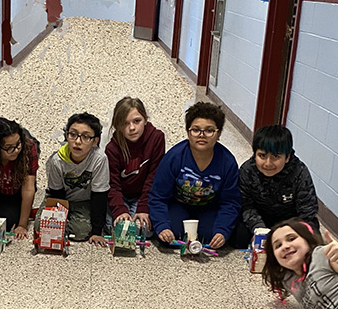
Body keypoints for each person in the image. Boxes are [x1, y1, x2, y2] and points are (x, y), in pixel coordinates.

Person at [147, 101, 241, 249]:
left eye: (209, 130)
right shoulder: (174, 157)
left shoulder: (227, 162)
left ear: (219, 134)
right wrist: (161, 225)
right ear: (188, 132)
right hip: (178, 204)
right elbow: (158, 196)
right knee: (172, 237)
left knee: (210, 239)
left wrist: (223, 231)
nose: (202, 135)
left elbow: (230, 202)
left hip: (210, 207)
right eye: (196, 130)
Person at [36, 112, 110, 246]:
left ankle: (69, 229)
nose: (77, 141)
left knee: (81, 232)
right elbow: (56, 193)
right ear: (66, 134)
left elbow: (99, 195)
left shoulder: (99, 159)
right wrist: (60, 218)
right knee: (41, 228)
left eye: (86, 137)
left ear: (95, 141)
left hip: (83, 200)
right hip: (59, 197)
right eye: (73, 134)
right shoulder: (56, 161)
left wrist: (97, 232)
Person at [238, 124, 318, 244]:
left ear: (287, 157)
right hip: (260, 217)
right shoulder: (247, 170)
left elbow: (307, 211)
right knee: (238, 237)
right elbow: (246, 206)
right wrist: (259, 229)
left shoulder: (299, 172)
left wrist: (288, 233)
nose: (268, 163)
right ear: (255, 154)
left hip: (290, 221)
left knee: (312, 237)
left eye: (275, 156)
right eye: (262, 156)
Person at [104, 97, 165, 235]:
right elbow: (112, 184)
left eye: (137, 121)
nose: (132, 128)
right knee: (119, 230)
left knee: (144, 231)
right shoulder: (112, 148)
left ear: (145, 119)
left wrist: (143, 207)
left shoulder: (156, 138)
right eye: (125, 123)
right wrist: (120, 209)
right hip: (120, 195)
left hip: (143, 194)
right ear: (118, 126)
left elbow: (154, 177)